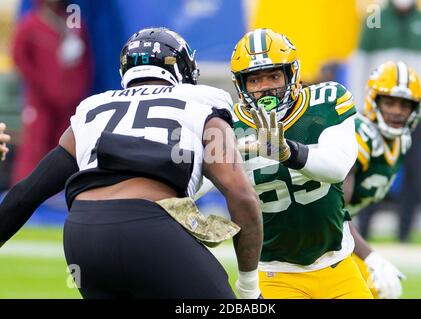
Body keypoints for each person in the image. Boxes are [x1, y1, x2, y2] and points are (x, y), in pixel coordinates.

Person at [0, 27, 263, 299]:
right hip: (148, 232)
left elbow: (25, 194)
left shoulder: (94, 108)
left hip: (84, 238)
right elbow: (241, 196)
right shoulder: (203, 104)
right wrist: (249, 287)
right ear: (183, 70)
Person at [229, 28, 371, 298]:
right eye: (255, 80)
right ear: (241, 85)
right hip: (273, 272)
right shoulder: (228, 125)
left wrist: (287, 152)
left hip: (336, 264)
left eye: (273, 75)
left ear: (292, 75)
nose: (266, 87)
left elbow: (337, 167)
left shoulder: (325, 103)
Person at [348, 0, 421, 241]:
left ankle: (405, 233)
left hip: (414, 112)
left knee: (415, 173)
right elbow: (360, 60)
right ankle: (364, 228)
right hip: (377, 109)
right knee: (368, 167)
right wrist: (358, 104)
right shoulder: (374, 17)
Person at [344, 61, 421, 299]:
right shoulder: (359, 135)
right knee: (378, 287)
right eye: (389, 102)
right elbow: (333, 211)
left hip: (329, 233)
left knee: (381, 289)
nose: (397, 111)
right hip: (309, 229)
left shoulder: (401, 141)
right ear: (373, 100)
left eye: (404, 104)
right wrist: (370, 256)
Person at [11, 0, 92, 184]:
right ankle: (24, 197)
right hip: (40, 101)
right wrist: (41, 87)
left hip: (69, 102)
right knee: (34, 147)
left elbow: (85, 62)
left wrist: (76, 90)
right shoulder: (31, 24)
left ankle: (64, 193)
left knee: (66, 149)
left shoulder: (74, 24)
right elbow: (19, 57)